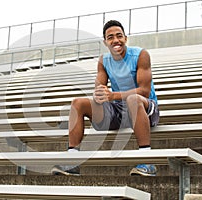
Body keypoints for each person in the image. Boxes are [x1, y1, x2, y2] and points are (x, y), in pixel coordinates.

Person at [51, 20, 160, 176]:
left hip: (145, 107)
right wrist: (99, 94)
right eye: (110, 37)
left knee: (133, 100)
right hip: (119, 109)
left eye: (119, 36)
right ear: (105, 42)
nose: (115, 40)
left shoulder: (141, 54)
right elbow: (100, 89)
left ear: (125, 38)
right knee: (78, 103)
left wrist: (112, 95)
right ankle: (72, 160)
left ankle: (147, 160)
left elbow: (144, 91)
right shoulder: (104, 61)